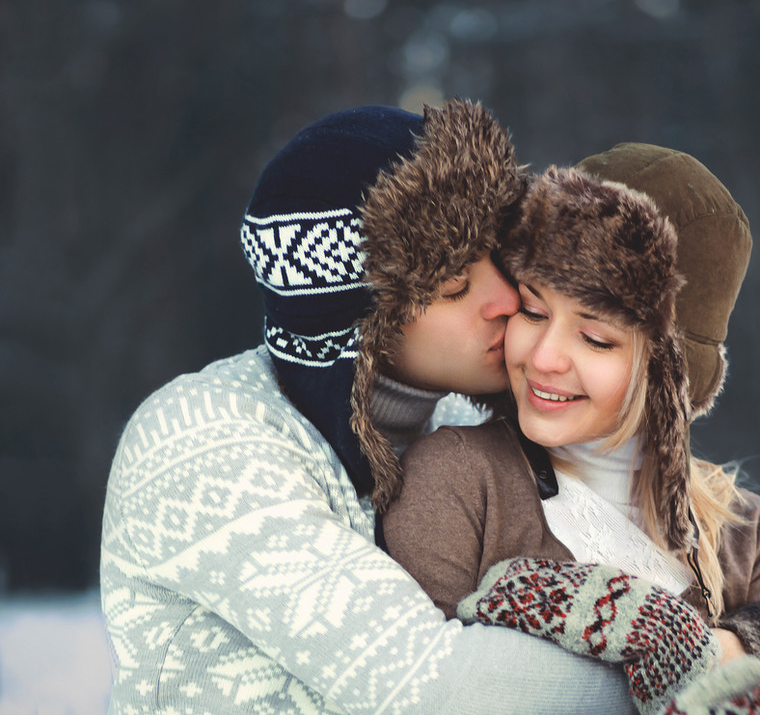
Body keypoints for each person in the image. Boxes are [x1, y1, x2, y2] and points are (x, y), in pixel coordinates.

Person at [99, 99, 639, 714]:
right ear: (362, 319)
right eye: (453, 285)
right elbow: (435, 690)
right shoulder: (203, 437)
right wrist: (687, 668)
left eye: (496, 255)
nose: (504, 297)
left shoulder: (464, 432)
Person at [383, 147, 757, 712]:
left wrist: (718, 650)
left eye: (597, 338)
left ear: (667, 376)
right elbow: (415, 692)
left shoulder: (740, 529)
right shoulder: (457, 482)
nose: (545, 357)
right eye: (532, 311)